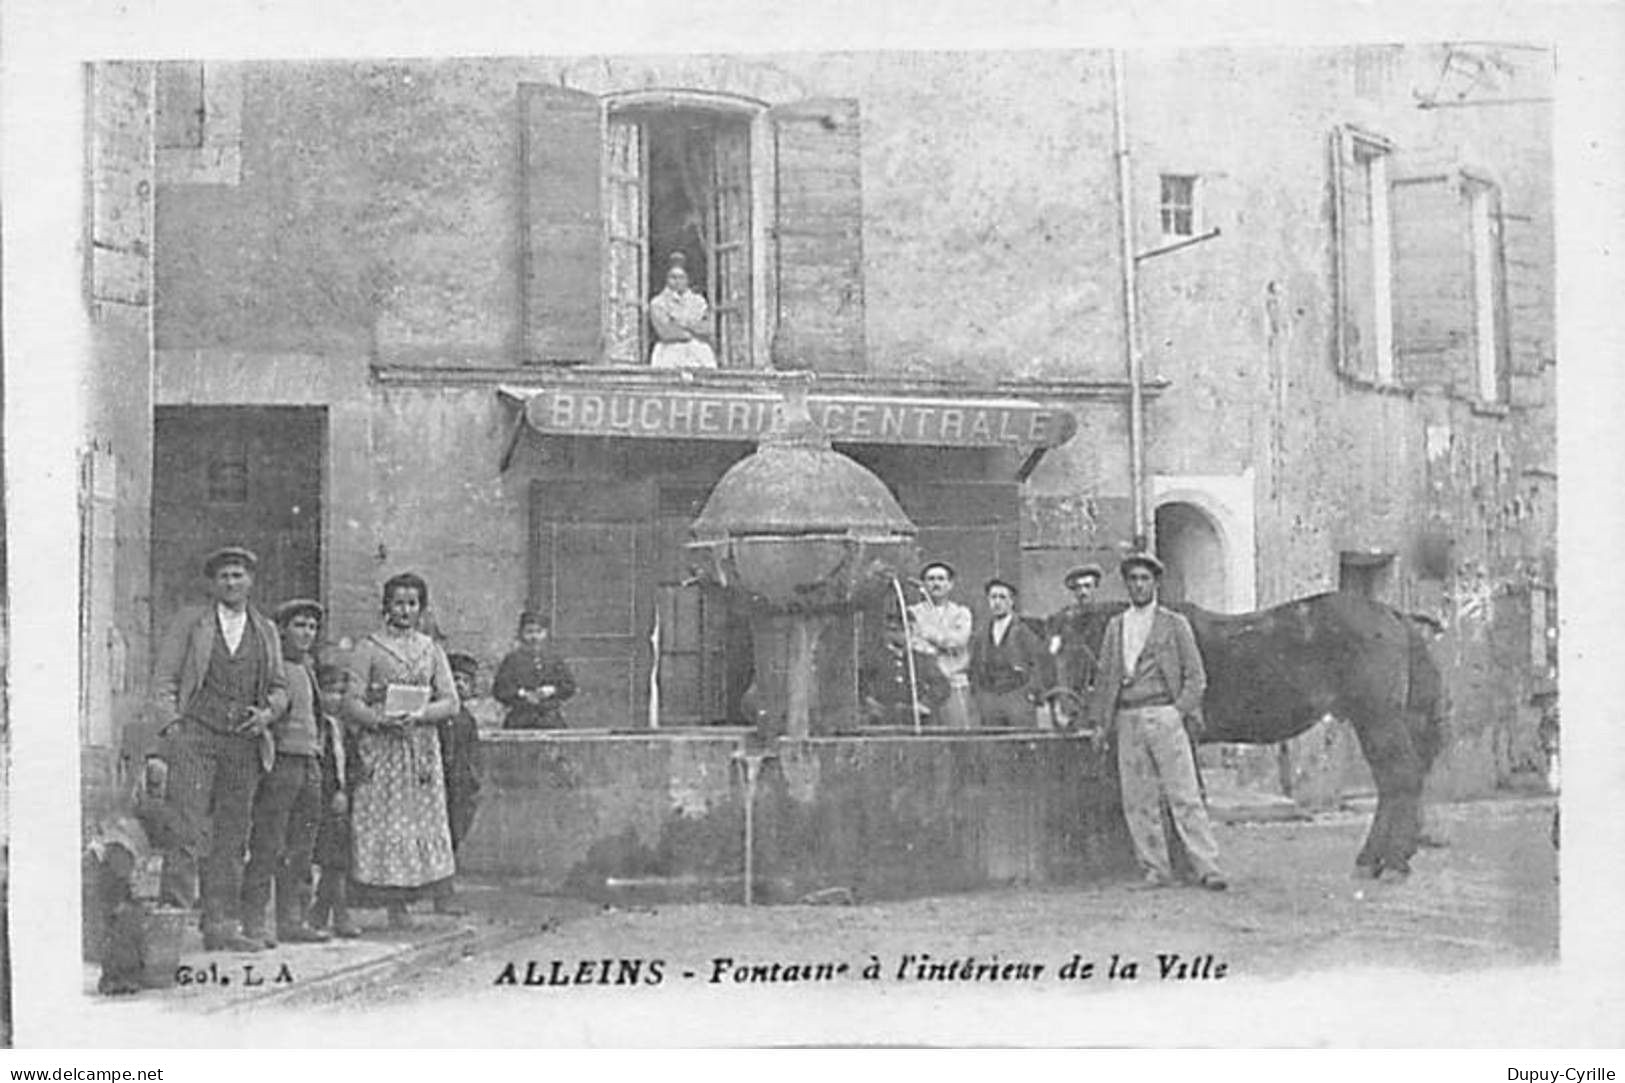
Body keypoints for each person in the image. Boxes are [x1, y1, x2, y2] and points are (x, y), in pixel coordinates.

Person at [151, 546, 289, 952]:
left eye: (239, 575)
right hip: (196, 737)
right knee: (185, 830)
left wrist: (266, 715)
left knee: (232, 836)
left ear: (251, 581)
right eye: (225, 576)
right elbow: (164, 680)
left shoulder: (264, 630)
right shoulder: (192, 623)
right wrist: (173, 727)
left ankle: (221, 925)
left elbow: (280, 688)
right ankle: (170, 927)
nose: (232, 582)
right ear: (213, 583)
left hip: (243, 743)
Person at [1088, 553, 1227, 891]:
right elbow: (1106, 679)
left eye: (1144, 579)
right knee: (1138, 798)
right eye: (1133, 579)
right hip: (1128, 717)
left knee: (1184, 794)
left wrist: (1178, 711)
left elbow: (1196, 676)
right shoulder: (1116, 627)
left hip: (1165, 714)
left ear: (1155, 583)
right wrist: (1101, 724)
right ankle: (1155, 868)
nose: (1138, 585)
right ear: (1126, 585)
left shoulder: (1174, 623)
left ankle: (1207, 866)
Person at [342, 572, 460, 929]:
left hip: (420, 750)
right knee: (383, 820)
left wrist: (421, 714)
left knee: (417, 821)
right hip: (381, 749)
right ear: (386, 607)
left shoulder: (431, 649)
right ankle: (382, 901)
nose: (405, 610)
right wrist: (379, 720)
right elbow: (350, 701)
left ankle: (410, 901)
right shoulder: (370, 648)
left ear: (421, 609)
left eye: (412, 604)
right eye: (398, 603)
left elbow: (451, 701)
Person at [240, 598, 331, 947]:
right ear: (282, 630)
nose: (306, 633)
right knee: (269, 843)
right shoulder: (272, 668)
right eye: (299, 625)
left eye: (311, 627)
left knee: (302, 846)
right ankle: (254, 921)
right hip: (281, 764)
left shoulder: (307, 668)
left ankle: (293, 918)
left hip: (309, 761)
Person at [308, 663, 361, 939]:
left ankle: (328, 911)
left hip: (341, 802)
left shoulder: (345, 728)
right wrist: (335, 792)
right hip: (322, 799)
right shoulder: (318, 728)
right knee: (327, 858)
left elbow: (352, 763)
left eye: (341, 692)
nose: (336, 699)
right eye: (329, 692)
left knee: (337, 859)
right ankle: (330, 912)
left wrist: (350, 787)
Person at [436, 652, 485, 914]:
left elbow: (473, 754)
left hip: (461, 785)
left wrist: (474, 780)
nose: (460, 685)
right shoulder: (441, 717)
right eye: (454, 679)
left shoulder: (467, 719)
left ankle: (446, 890)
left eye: (466, 681)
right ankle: (442, 895)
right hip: (440, 784)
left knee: (455, 835)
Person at [969, 579, 1046, 729]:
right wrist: (980, 696)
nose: (997, 602)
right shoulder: (981, 633)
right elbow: (974, 667)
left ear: (1011, 601)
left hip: (1017, 697)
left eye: (1002, 597)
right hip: (990, 699)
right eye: (993, 597)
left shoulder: (1025, 631)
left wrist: (1030, 694)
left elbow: (1038, 665)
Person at [907, 561, 975, 730]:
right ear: (923, 584)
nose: (936, 584)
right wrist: (942, 640)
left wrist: (927, 632)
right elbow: (914, 644)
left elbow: (957, 642)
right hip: (925, 688)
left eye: (941, 579)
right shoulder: (913, 612)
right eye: (930, 579)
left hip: (955, 685)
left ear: (950, 584)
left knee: (958, 736)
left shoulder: (961, 613)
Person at [859, 607, 950, 726]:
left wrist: (925, 705)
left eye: (904, 629)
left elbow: (942, 686)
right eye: (893, 630)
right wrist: (870, 704)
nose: (899, 634)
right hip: (881, 720)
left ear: (912, 631)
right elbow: (858, 684)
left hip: (916, 721)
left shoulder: (921, 659)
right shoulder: (874, 658)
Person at [493, 611, 577, 730]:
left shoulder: (554, 659)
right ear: (521, 634)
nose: (534, 637)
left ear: (546, 634)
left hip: (549, 719)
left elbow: (569, 686)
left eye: (539, 632)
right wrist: (522, 694)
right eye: (529, 632)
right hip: (520, 719)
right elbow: (499, 690)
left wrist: (552, 690)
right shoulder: (512, 660)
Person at [1048, 563, 1112, 702]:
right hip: (1073, 687)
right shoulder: (1063, 619)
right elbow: (1053, 653)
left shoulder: (1107, 618)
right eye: (1078, 587)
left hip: (1101, 686)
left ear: (1096, 588)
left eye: (1087, 586)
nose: (1083, 592)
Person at [647, 251, 718, 369]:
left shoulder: (698, 301)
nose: (677, 281)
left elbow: (706, 329)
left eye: (681, 277)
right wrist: (691, 327)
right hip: (669, 351)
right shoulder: (658, 302)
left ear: (687, 280)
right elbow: (666, 333)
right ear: (666, 279)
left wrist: (678, 323)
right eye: (673, 277)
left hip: (697, 351)